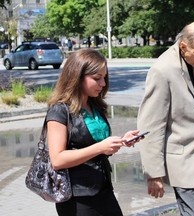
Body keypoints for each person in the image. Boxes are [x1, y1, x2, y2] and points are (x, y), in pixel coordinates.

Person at [137, 22, 194, 216]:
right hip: (181, 161)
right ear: (183, 47)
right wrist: (153, 173)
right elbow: (151, 126)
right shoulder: (162, 70)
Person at [46, 48, 141, 216]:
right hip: (77, 197)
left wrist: (120, 141)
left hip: (103, 190)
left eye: (104, 77)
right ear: (76, 76)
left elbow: (95, 145)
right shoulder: (59, 110)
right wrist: (100, 148)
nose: (103, 84)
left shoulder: (94, 105)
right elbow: (57, 159)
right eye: (97, 78)